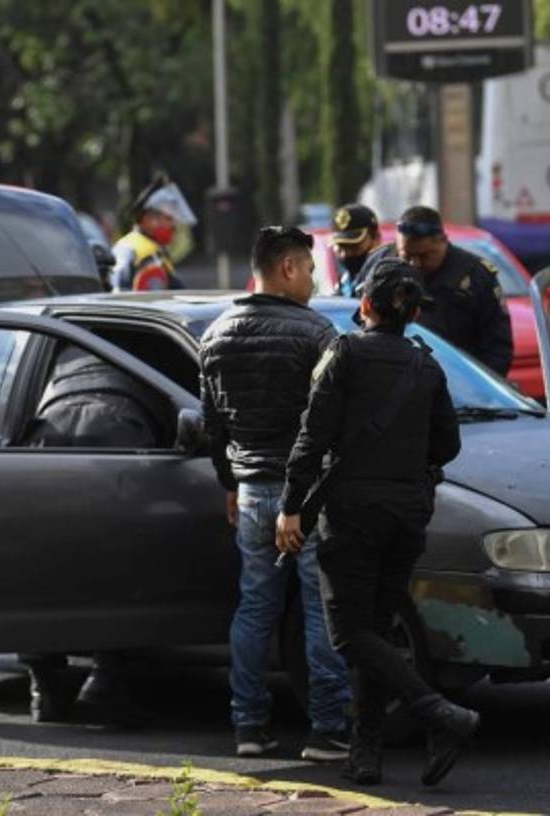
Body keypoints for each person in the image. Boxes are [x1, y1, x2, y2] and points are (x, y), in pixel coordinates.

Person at [276, 258, 475, 788]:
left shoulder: (344, 354)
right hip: (407, 515)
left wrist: (291, 504)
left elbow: (311, 437)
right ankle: (367, 754)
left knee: (348, 636)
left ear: (365, 305)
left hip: (352, 516)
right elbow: (448, 446)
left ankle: (441, 714)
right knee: (374, 634)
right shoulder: (427, 365)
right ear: (411, 313)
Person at [199, 226, 352, 761]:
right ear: (287, 268)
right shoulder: (317, 333)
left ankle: (249, 728)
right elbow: (335, 421)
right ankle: (328, 731)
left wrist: (228, 483)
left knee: (255, 607)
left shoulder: (215, 334)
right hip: (306, 496)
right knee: (319, 608)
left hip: (251, 494)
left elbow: (211, 425)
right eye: (310, 269)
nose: (313, 280)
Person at [18, 343, 165, 726]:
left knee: (44, 568)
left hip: (48, 437)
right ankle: (105, 679)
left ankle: (44, 688)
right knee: (118, 566)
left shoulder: (60, 348)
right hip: (116, 437)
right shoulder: (144, 354)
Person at [394, 206, 513, 376]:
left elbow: (498, 349)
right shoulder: (382, 266)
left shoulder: (476, 277)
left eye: (424, 256)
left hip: (459, 387)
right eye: (406, 256)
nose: (414, 264)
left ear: (443, 241)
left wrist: (477, 393)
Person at [111, 175, 197, 291]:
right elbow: (158, 302)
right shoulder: (149, 255)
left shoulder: (126, 243)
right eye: (169, 218)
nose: (174, 226)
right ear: (148, 219)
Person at [331, 204, 386, 296]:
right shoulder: (344, 280)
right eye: (341, 247)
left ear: (376, 239)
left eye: (353, 247)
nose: (345, 254)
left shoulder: (387, 280)